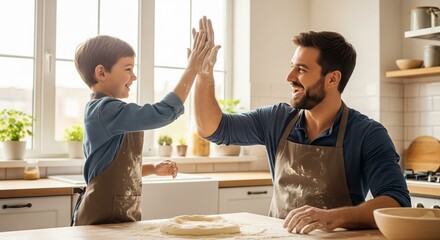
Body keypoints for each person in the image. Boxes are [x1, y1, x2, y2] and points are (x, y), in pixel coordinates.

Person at [194, 25, 410, 234]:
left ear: (333, 78)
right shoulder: (276, 120)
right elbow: (213, 129)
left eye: (301, 70)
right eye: (292, 67)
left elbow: (396, 203)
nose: (289, 78)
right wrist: (204, 74)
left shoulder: (367, 134)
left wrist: (334, 217)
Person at [72, 17, 218, 225]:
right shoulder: (104, 110)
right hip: (98, 220)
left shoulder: (114, 113)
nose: (134, 76)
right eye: (128, 69)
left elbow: (115, 169)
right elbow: (162, 113)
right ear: (101, 72)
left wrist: (153, 168)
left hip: (121, 219)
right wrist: (192, 68)